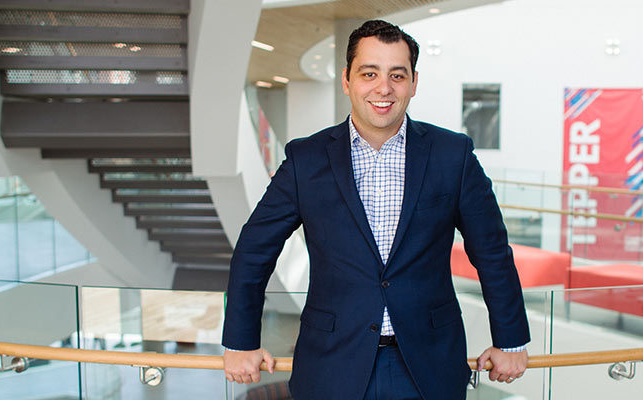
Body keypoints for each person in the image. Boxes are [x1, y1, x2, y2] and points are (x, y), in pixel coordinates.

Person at [222, 20, 530, 400]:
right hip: (331, 365)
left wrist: (511, 340)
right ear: (347, 80)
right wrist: (240, 342)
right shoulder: (306, 159)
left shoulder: (453, 155)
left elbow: (492, 253)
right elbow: (255, 250)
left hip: (429, 364)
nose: (384, 88)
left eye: (397, 75)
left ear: (414, 82)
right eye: (370, 73)